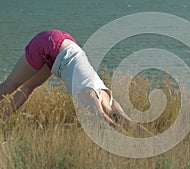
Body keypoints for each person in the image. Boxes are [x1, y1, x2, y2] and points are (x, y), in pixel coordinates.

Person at [0, 30, 129, 126]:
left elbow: (123, 118)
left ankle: (3, 120)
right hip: (50, 45)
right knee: (10, 84)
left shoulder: (105, 94)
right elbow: (102, 119)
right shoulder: (90, 92)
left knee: (28, 87)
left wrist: (133, 129)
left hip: (65, 47)